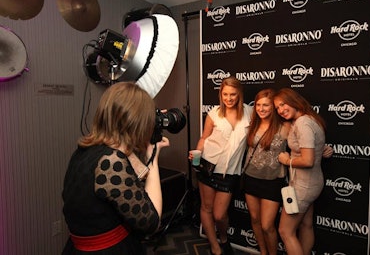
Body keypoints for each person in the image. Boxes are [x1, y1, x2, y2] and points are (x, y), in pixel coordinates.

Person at [62, 82, 170, 255]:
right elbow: (151, 222)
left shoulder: (84, 151)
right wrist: (153, 160)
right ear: (136, 123)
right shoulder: (111, 162)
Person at [189, 76, 252, 255]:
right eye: (225, 94)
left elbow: (267, 130)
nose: (229, 98)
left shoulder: (250, 113)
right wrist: (197, 153)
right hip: (208, 167)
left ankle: (223, 238)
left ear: (239, 94)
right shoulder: (213, 113)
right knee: (206, 208)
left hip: (230, 173)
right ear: (220, 94)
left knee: (219, 215)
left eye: (233, 94)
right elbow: (204, 138)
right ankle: (215, 247)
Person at [273, 88, 327, 255]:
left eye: (283, 104)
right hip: (312, 183)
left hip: (303, 186)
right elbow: (311, 148)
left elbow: (307, 160)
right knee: (306, 225)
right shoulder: (310, 119)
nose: (281, 110)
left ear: (294, 100)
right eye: (277, 108)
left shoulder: (303, 122)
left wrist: (286, 160)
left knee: (285, 231)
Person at [242, 89, 291, 255]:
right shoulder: (252, 124)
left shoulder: (285, 127)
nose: (261, 109)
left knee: (267, 225)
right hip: (251, 178)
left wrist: (324, 148)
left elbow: (304, 142)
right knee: (255, 220)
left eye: (266, 105)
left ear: (273, 107)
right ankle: (263, 252)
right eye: (258, 105)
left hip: (272, 181)